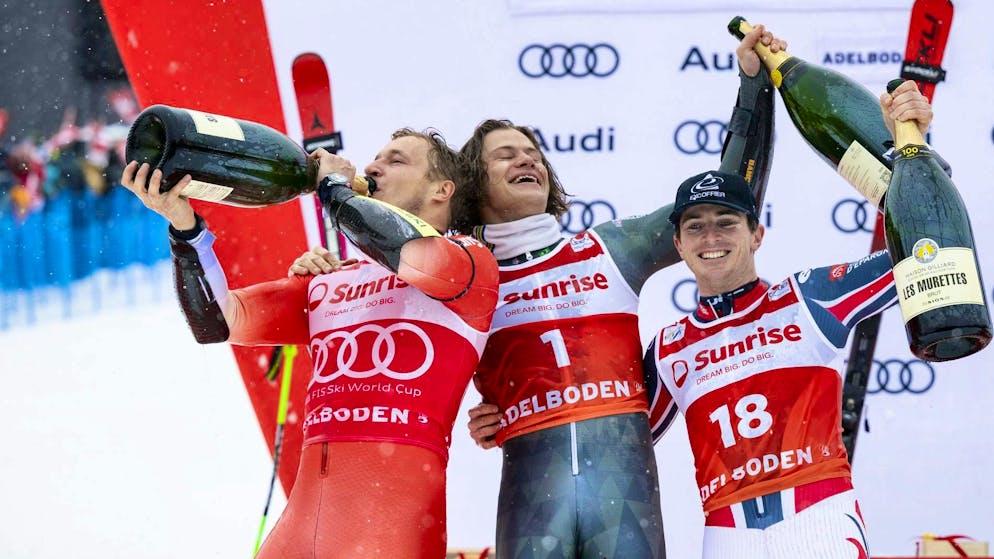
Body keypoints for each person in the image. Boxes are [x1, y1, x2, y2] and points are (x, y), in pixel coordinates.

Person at [455, 27, 783, 559]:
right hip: (532, 502)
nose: (527, 161)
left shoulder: (608, 249)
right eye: (506, 156)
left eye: (534, 154)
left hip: (622, 499)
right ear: (473, 181)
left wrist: (752, 86)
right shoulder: (466, 279)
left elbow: (728, 193)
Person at [121, 128, 499, 559]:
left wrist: (335, 191)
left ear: (441, 190)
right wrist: (185, 228)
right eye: (376, 157)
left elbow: (411, 254)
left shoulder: (470, 263)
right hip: (300, 532)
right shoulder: (329, 280)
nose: (373, 167)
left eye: (396, 160)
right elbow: (218, 321)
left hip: (389, 529)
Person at [641, 80, 936, 558]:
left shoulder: (809, 297)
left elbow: (925, 245)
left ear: (756, 234)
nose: (711, 237)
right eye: (696, 227)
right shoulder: (669, 347)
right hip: (727, 533)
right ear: (679, 245)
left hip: (819, 519)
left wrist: (909, 146)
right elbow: (614, 440)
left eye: (726, 222)